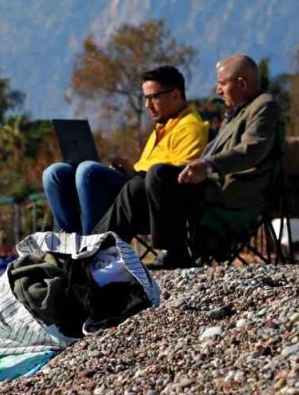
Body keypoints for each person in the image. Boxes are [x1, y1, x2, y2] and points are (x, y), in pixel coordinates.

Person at [96, 54, 286, 266]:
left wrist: (207, 165)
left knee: (158, 173)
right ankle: (96, 251)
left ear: (241, 83)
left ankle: (173, 253)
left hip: (232, 191)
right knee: (136, 186)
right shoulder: (235, 113)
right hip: (211, 185)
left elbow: (252, 150)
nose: (218, 90)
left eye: (222, 83)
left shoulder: (265, 106)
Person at [42, 65, 208, 235]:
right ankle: (67, 245)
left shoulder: (190, 127)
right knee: (55, 172)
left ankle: (92, 245)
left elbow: (177, 177)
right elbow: (146, 168)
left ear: (175, 95)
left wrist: (134, 175)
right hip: (134, 186)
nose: (147, 105)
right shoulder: (161, 126)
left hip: (150, 200)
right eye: (145, 98)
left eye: (153, 98)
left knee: (89, 171)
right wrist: (129, 168)